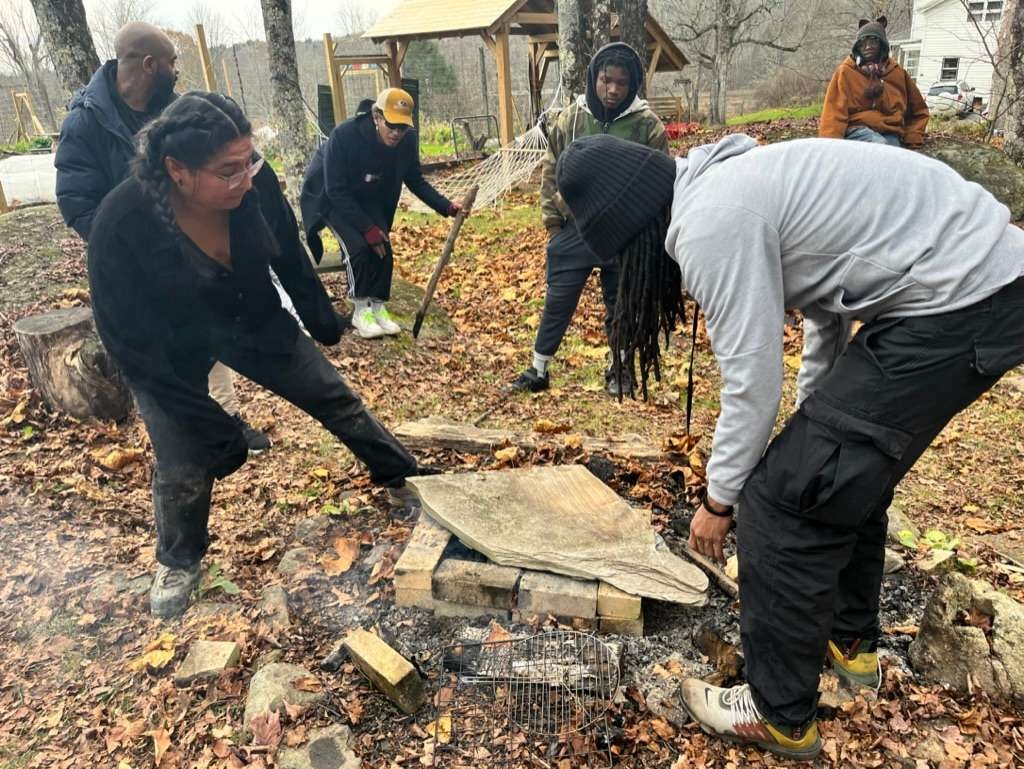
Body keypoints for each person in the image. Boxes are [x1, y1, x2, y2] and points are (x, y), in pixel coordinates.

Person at [555, 132, 1024, 760]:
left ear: (630, 226)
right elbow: (830, 302)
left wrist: (720, 502)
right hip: (982, 283)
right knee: (838, 472)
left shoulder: (710, 222)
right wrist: (818, 424)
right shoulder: (738, 181)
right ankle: (849, 648)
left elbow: (751, 379)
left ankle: (777, 711)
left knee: (781, 501)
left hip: (960, 299)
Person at [88, 91, 425, 618]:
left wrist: (320, 317)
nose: (246, 179)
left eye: (249, 162)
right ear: (176, 169)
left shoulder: (251, 179)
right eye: (227, 171)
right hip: (165, 353)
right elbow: (134, 352)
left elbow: (286, 247)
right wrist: (216, 428)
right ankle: (179, 560)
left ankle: (403, 475)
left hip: (251, 319)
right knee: (182, 460)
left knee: (335, 397)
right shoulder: (120, 224)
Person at [55, 21, 272, 452]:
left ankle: (226, 421)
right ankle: (180, 439)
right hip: (131, 265)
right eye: (172, 63)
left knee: (203, 329)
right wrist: (129, 245)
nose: (177, 71)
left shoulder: (175, 111)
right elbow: (77, 201)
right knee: (157, 354)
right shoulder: (87, 122)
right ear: (150, 64)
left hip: (187, 250)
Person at [510, 42, 668, 396]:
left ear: (633, 86)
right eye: (605, 80)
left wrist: (649, 235)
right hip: (576, 229)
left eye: (621, 83)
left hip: (624, 235)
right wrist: (553, 223)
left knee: (622, 302)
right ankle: (539, 368)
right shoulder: (572, 118)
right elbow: (551, 167)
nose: (612, 89)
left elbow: (661, 181)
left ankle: (620, 368)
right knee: (558, 299)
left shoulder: (647, 126)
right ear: (594, 78)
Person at [301, 88, 462, 339]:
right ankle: (360, 309)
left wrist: (447, 206)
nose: (397, 132)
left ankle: (377, 306)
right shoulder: (345, 136)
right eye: (392, 125)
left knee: (383, 247)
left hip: (369, 194)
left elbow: (415, 180)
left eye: (403, 127)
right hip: (331, 195)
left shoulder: (407, 140)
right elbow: (335, 189)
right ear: (377, 116)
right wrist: (366, 228)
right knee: (359, 248)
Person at [819, 16, 929, 147]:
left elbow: (919, 111)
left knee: (894, 153)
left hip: (890, 131)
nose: (867, 47)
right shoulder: (846, 72)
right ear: (857, 48)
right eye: (862, 43)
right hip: (856, 130)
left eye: (873, 42)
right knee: (879, 146)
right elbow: (833, 113)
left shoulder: (897, 73)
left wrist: (913, 136)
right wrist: (829, 147)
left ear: (882, 45)